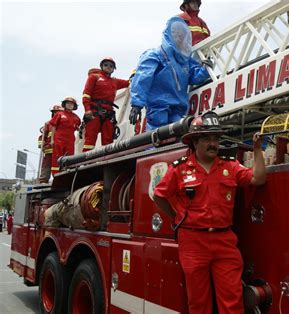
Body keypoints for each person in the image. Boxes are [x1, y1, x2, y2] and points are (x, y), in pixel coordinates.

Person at [153, 111, 266, 313]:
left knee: (232, 301)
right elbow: (158, 195)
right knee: (198, 303)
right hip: (193, 242)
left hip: (225, 241)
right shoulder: (178, 169)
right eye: (207, 139)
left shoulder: (230, 167)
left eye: (216, 138)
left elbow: (258, 179)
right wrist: (176, 217)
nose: (213, 143)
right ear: (195, 143)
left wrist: (258, 150)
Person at [129, 16, 211, 131]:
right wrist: (136, 105)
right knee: (157, 135)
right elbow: (142, 79)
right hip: (158, 107)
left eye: (181, 35)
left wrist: (205, 69)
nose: (179, 38)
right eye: (176, 34)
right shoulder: (155, 54)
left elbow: (194, 77)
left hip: (178, 108)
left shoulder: (185, 61)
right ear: (170, 34)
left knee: (178, 134)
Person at [82, 57, 130, 151]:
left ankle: (106, 162)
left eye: (111, 66)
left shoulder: (115, 81)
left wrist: (135, 74)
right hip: (94, 111)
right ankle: (86, 163)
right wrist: (87, 109)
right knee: (90, 139)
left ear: (113, 69)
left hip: (109, 113)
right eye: (106, 65)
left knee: (108, 140)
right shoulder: (94, 77)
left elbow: (128, 83)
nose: (108, 67)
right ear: (101, 66)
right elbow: (86, 94)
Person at [50, 97, 81, 175]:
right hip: (59, 139)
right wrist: (52, 140)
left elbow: (78, 128)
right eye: (68, 103)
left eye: (72, 104)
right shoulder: (59, 114)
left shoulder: (76, 117)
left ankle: (66, 175)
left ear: (74, 106)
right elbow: (53, 126)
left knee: (69, 158)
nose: (70, 105)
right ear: (64, 104)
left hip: (70, 140)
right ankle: (55, 176)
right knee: (57, 158)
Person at [38, 105, 63, 183]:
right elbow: (43, 136)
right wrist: (43, 145)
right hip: (49, 150)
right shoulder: (48, 124)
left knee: (60, 167)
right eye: (54, 112)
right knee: (46, 166)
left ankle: (59, 181)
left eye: (58, 113)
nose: (56, 114)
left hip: (60, 150)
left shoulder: (64, 124)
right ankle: (43, 180)